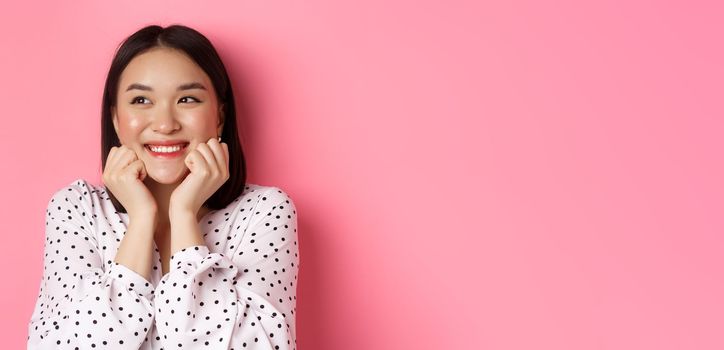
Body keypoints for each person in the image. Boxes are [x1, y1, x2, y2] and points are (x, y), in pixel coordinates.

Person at [26, 24, 299, 350]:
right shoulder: (77, 208)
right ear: (115, 118)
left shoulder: (264, 212)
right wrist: (141, 219)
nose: (166, 124)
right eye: (141, 100)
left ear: (220, 117)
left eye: (187, 99)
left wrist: (184, 215)